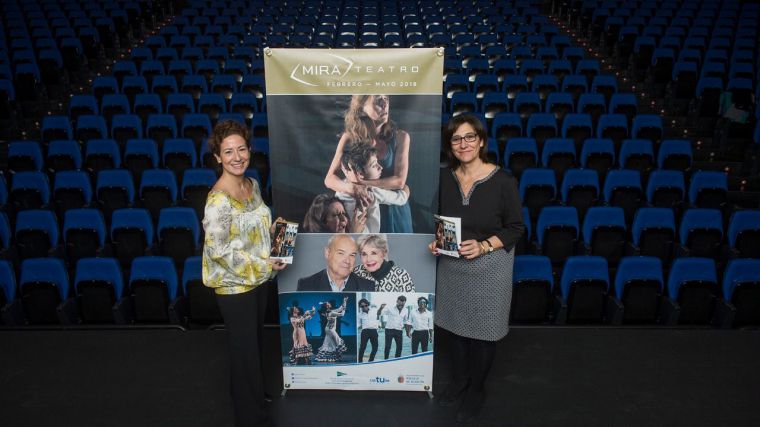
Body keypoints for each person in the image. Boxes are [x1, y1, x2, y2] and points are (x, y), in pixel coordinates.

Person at [429, 114, 525, 423]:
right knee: (456, 330)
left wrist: (484, 246)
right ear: (450, 146)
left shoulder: (503, 181)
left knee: (483, 334)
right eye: (456, 139)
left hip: (490, 267)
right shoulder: (444, 178)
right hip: (453, 265)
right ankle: (459, 381)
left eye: (469, 137)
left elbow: (515, 228)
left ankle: (477, 389)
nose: (463, 144)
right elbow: (437, 218)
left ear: (481, 141)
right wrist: (435, 241)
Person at [202, 120, 287, 427]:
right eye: (228, 151)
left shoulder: (252, 184)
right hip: (234, 287)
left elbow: (258, 225)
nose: (236, 156)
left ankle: (255, 396)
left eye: (241, 149)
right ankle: (248, 416)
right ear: (217, 157)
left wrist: (277, 238)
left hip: (259, 281)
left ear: (249, 150)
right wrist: (266, 264)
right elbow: (220, 252)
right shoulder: (217, 202)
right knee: (243, 352)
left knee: (255, 345)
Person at [325, 94, 413, 233]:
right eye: (378, 100)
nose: (385, 105)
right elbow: (329, 179)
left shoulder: (401, 137)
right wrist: (352, 189)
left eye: (386, 99)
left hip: (394, 211)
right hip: (362, 213)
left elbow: (399, 182)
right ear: (362, 107)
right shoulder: (349, 137)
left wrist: (361, 183)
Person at [336, 140, 410, 233]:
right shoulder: (372, 191)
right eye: (374, 165)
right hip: (368, 239)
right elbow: (402, 197)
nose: (380, 167)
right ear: (360, 173)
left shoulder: (340, 188)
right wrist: (405, 188)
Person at [296, 234, 375, 292]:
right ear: (327, 253)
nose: (347, 261)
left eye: (352, 255)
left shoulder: (367, 287)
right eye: (341, 253)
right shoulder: (306, 285)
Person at [315, 296, 349, 363]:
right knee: (337, 343)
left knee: (329, 343)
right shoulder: (331, 312)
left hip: (328, 329)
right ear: (328, 306)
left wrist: (344, 301)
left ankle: (331, 357)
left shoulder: (329, 312)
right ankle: (335, 357)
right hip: (330, 329)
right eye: (329, 303)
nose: (330, 304)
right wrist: (344, 309)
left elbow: (340, 308)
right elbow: (342, 314)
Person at [357, 298, 379, 362]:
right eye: (362, 306)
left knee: (375, 348)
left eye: (365, 305)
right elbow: (358, 324)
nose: (364, 307)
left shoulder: (374, 311)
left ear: (368, 305)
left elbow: (380, 313)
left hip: (374, 331)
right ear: (360, 307)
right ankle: (360, 361)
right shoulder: (359, 315)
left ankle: (371, 360)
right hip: (365, 332)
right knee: (362, 347)